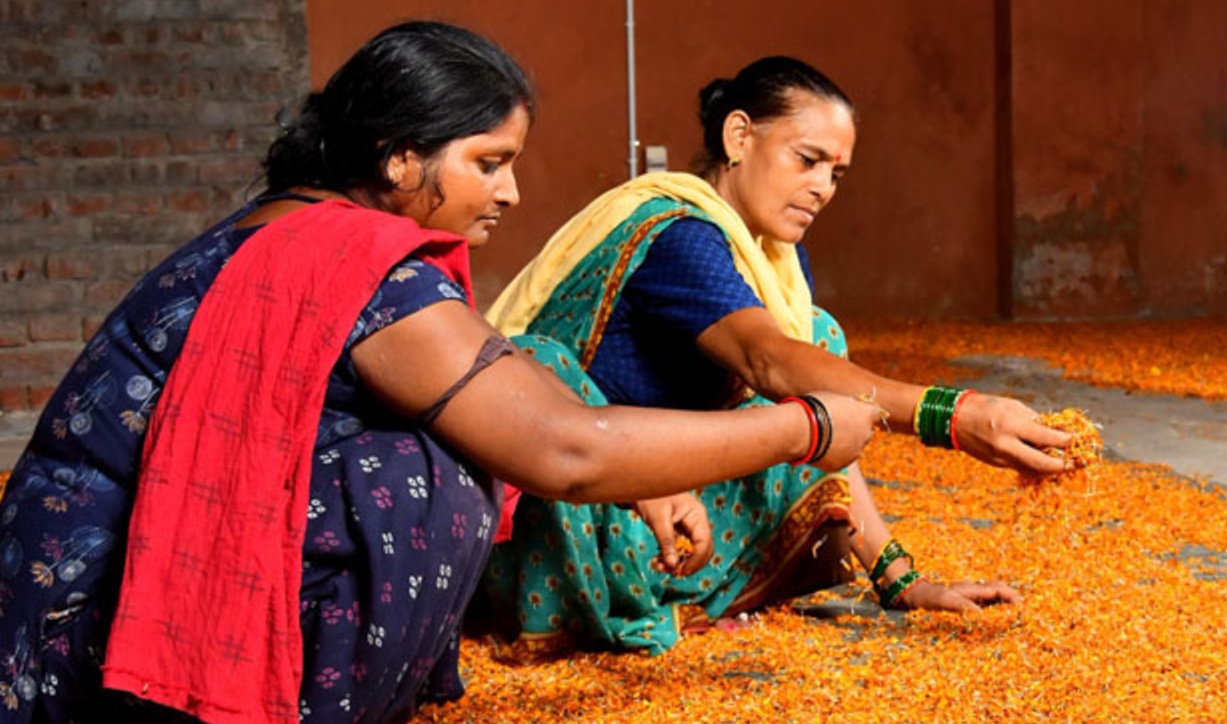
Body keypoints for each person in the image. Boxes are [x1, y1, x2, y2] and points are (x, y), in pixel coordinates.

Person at [0, 25, 878, 724]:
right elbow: (566, 450)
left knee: (499, 389)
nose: (511, 194)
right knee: (451, 446)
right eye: (488, 163)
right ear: (398, 157)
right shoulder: (366, 269)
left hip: (76, 614)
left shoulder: (292, 229)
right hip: (94, 643)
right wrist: (804, 428)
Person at [480, 56, 1079, 661]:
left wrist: (902, 580)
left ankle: (704, 586)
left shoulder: (771, 259)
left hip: (675, 508)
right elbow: (770, 364)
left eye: (837, 173)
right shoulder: (680, 236)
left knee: (815, 339)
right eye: (808, 159)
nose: (823, 187)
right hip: (586, 516)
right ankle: (607, 604)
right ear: (739, 136)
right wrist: (954, 415)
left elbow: (815, 406)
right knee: (804, 356)